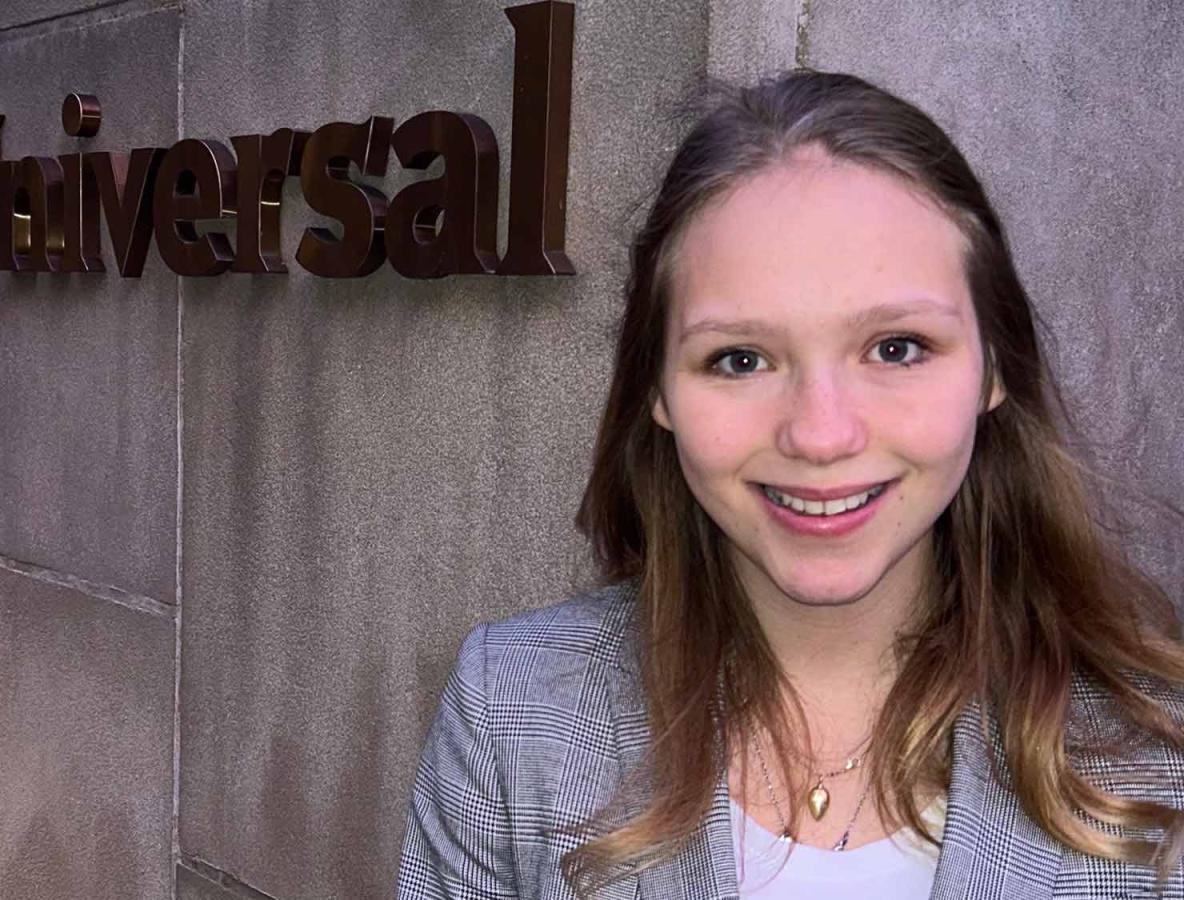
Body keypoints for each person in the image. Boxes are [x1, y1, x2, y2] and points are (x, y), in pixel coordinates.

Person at [395, 69, 1184, 900]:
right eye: (740, 359)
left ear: (995, 368)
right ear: (658, 391)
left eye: (896, 347)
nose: (820, 434)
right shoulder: (513, 712)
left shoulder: (1157, 752)